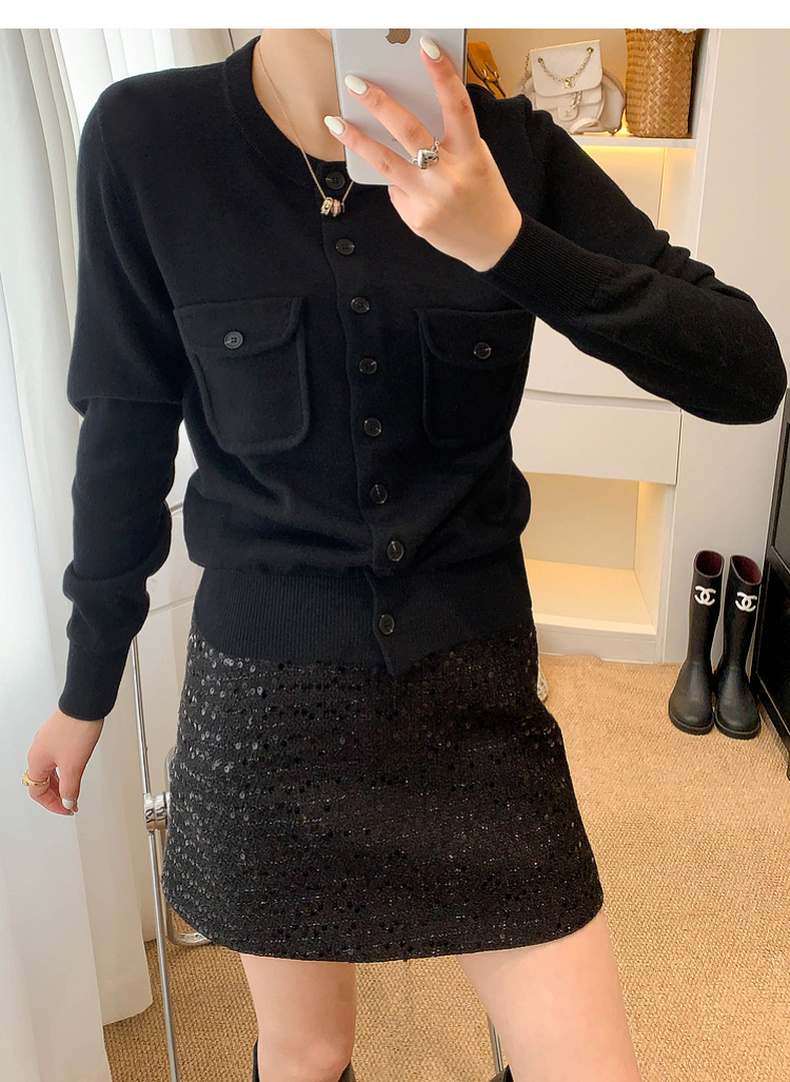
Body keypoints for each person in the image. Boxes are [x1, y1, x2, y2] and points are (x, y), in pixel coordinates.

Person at [23, 27, 786, 1082]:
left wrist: (508, 243)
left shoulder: (511, 150)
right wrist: (86, 682)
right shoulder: (147, 139)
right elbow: (124, 430)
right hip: (267, 709)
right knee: (308, 1052)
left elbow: (748, 373)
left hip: (473, 695)